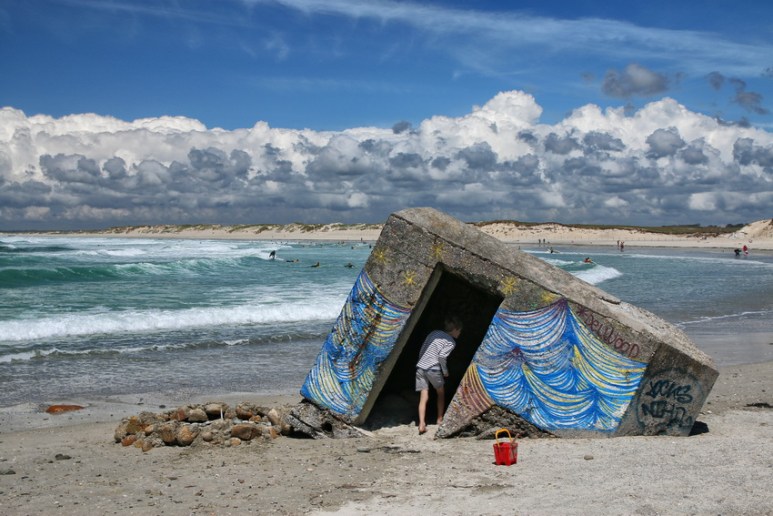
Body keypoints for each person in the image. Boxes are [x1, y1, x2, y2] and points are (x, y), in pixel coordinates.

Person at [415, 316, 463, 435]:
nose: (460, 333)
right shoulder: (451, 342)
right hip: (433, 368)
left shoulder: (434, 333)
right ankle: (440, 419)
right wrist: (445, 371)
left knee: (423, 396)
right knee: (441, 393)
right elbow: (442, 357)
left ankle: (421, 424)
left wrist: (421, 361)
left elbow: (424, 347)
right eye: (460, 331)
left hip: (421, 367)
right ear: (455, 329)